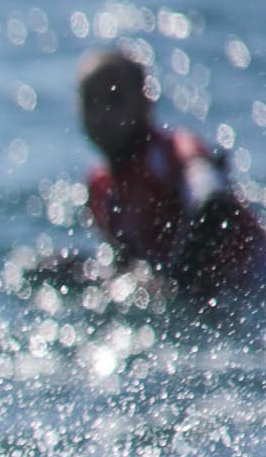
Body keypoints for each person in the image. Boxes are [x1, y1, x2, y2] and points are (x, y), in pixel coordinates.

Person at [74, 45, 264, 302]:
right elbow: (126, 264)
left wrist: (177, 285)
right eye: (91, 101)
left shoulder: (177, 152)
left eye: (115, 100)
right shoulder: (100, 187)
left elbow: (215, 204)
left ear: (145, 101)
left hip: (252, 281)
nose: (101, 114)